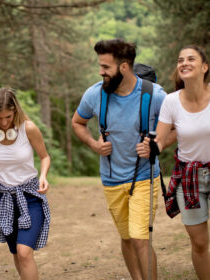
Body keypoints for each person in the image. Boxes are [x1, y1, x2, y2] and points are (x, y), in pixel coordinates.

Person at [71, 39, 168, 280]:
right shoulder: (94, 94)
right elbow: (77, 122)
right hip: (111, 180)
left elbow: (177, 126)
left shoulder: (154, 95)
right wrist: (95, 144)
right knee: (126, 238)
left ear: (124, 67)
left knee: (139, 238)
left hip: (144, 177)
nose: (100, 72)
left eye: (106, 67)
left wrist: (157, 144)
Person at [141, 45, 210, 279]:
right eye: (180, 60)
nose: (184, 63)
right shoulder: (171, 101)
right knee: (200, 243)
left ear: (204, 67)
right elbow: (159, 140)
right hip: (190, 178)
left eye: (191, 59)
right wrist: (150, 146)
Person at [0, 88, 51, 280]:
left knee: (24, 252)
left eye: (8, 117)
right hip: (3, 199)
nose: (3, 123)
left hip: (29, 197)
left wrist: (43, 176)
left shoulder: (28, 128)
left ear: (15, 111)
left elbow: (44, 157)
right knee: (16, 253)